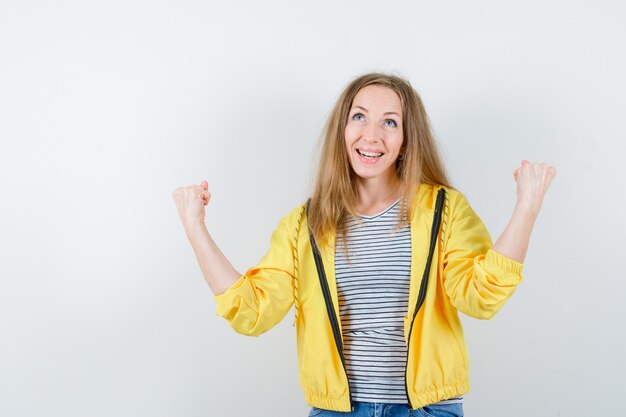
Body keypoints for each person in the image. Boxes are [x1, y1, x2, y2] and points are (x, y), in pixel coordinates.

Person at [172, 73, 556, 417]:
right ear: (343, 129)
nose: (372, 135)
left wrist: (526, 208)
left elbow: (480, 296)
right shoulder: (305, 224)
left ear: (406, 140)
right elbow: (252, 311)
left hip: (426, 411)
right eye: (359, 117)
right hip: (336, 412)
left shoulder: (444, 210)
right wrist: (195, 229)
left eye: (390, 122)